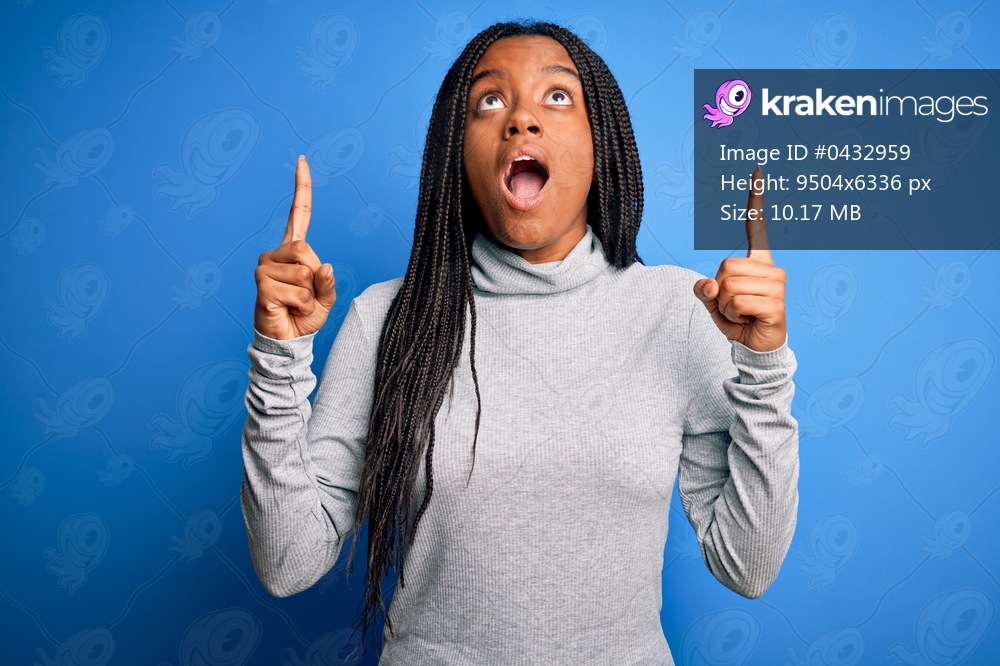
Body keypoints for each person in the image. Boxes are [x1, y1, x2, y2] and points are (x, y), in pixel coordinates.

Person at [241, 20, 797, 666]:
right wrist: (278, 361)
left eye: (557, 96)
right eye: (489, 101)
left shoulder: (678, 310)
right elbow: (288, 562)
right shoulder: (386, 318)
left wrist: (763, 365)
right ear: (457, 154)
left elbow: (747, 566)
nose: (521, 119)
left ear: (601, 143)